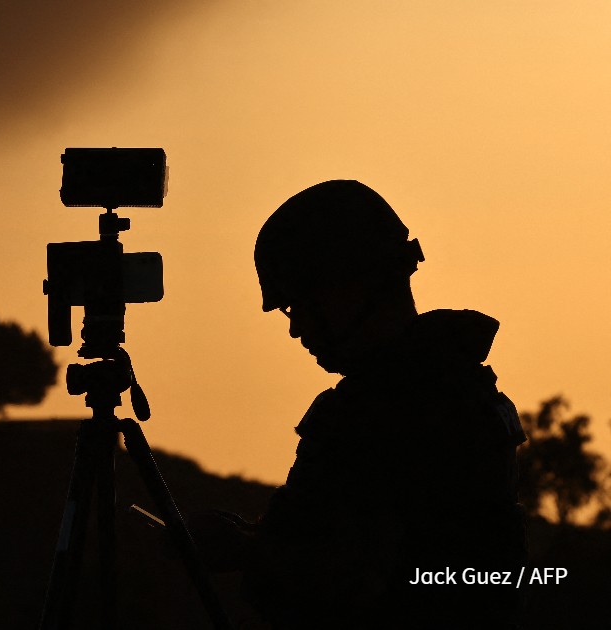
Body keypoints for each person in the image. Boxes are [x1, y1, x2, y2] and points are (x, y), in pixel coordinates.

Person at [192, 180, 526, 629]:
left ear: (349, 289)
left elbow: (360, 582)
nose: (296, 329)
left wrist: (244, 550)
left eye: (299, 306)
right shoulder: (459, 385)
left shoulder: (385, 411)